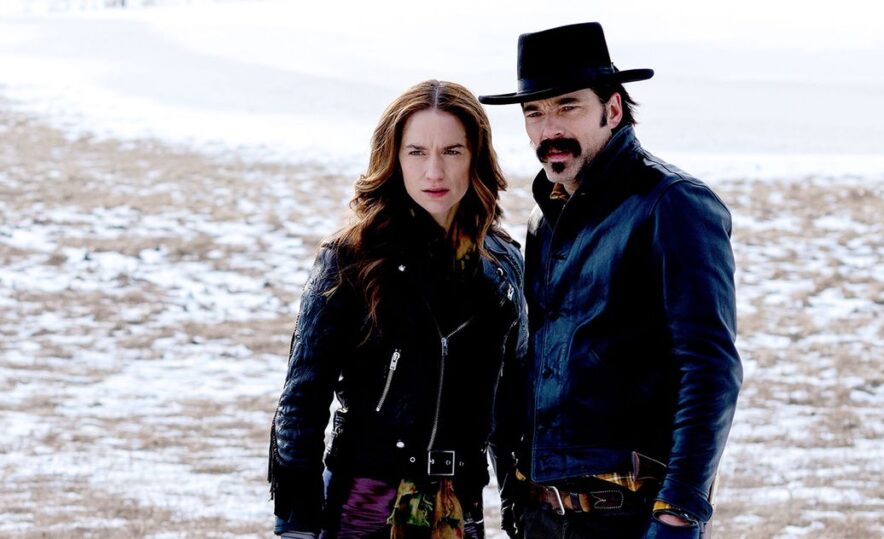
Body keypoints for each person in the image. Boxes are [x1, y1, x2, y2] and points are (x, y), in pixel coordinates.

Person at [479, 22, 743, 538]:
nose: (549, 129)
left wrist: (680, 511)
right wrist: (514, 490)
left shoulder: (673, 205)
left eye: (568, 107)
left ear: (613, 109)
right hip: (541, 517)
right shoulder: (544, 220)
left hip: (629, 518)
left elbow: (711, 368)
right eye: (534, 113)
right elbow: (530, 363)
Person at [268, 79, 528, 539]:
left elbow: (511, 407)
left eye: (452, 151)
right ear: (394, 158)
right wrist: (297, 524)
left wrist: (518, 504)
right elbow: (301, 402)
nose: (434, 171)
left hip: (459, 505)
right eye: (416, 152)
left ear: (476, 157)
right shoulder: (350, 258)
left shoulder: (502, 263)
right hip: (363, 504)